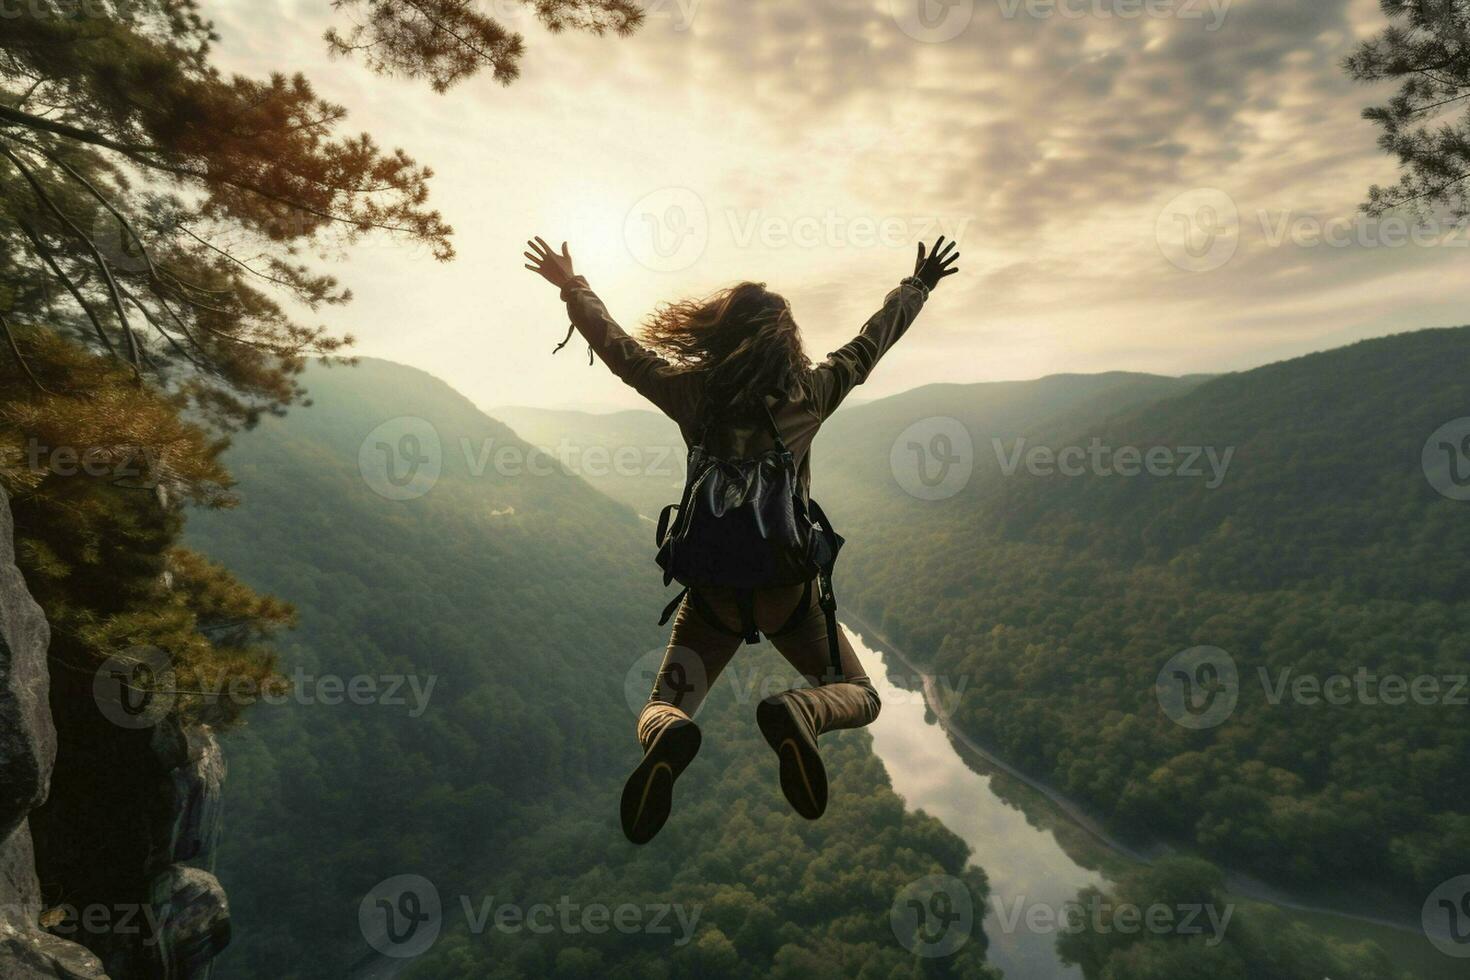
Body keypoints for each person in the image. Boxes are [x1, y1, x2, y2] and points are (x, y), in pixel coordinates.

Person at [523, 236, 960, 843]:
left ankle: (671, 732)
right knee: (859, 694)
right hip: (788, 592)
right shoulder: (810, 394)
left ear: (719, 335)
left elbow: (618, 348)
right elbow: (871, 343)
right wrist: (918, 286)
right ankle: (802, 712)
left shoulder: (692, 395)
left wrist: (572, 285)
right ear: (787, 341)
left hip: (712, 599)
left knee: (662, 706)